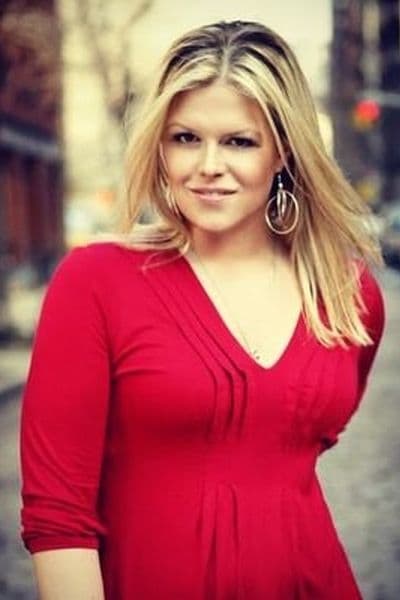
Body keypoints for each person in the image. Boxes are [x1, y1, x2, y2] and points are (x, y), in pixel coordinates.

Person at [20, 20, 385, 599]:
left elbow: (296, 444)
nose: (208, 165)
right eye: (186, 138)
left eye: (239, 141)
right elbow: (58, 517)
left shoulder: (347, 294)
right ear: (159, 146)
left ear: (283, 152)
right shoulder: (95, 282)